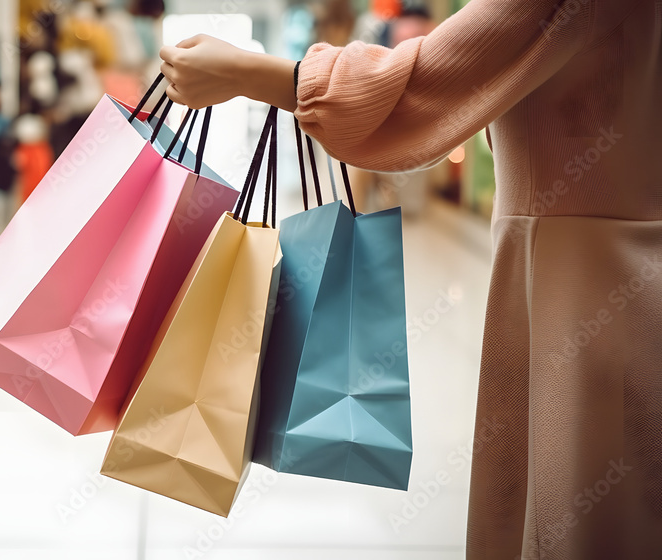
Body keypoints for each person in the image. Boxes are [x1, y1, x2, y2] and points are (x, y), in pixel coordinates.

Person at [159, 1, 662, 558]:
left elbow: (426, 88)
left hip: (580, 286)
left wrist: (244, 72)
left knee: (572, 517)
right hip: (625, 270)